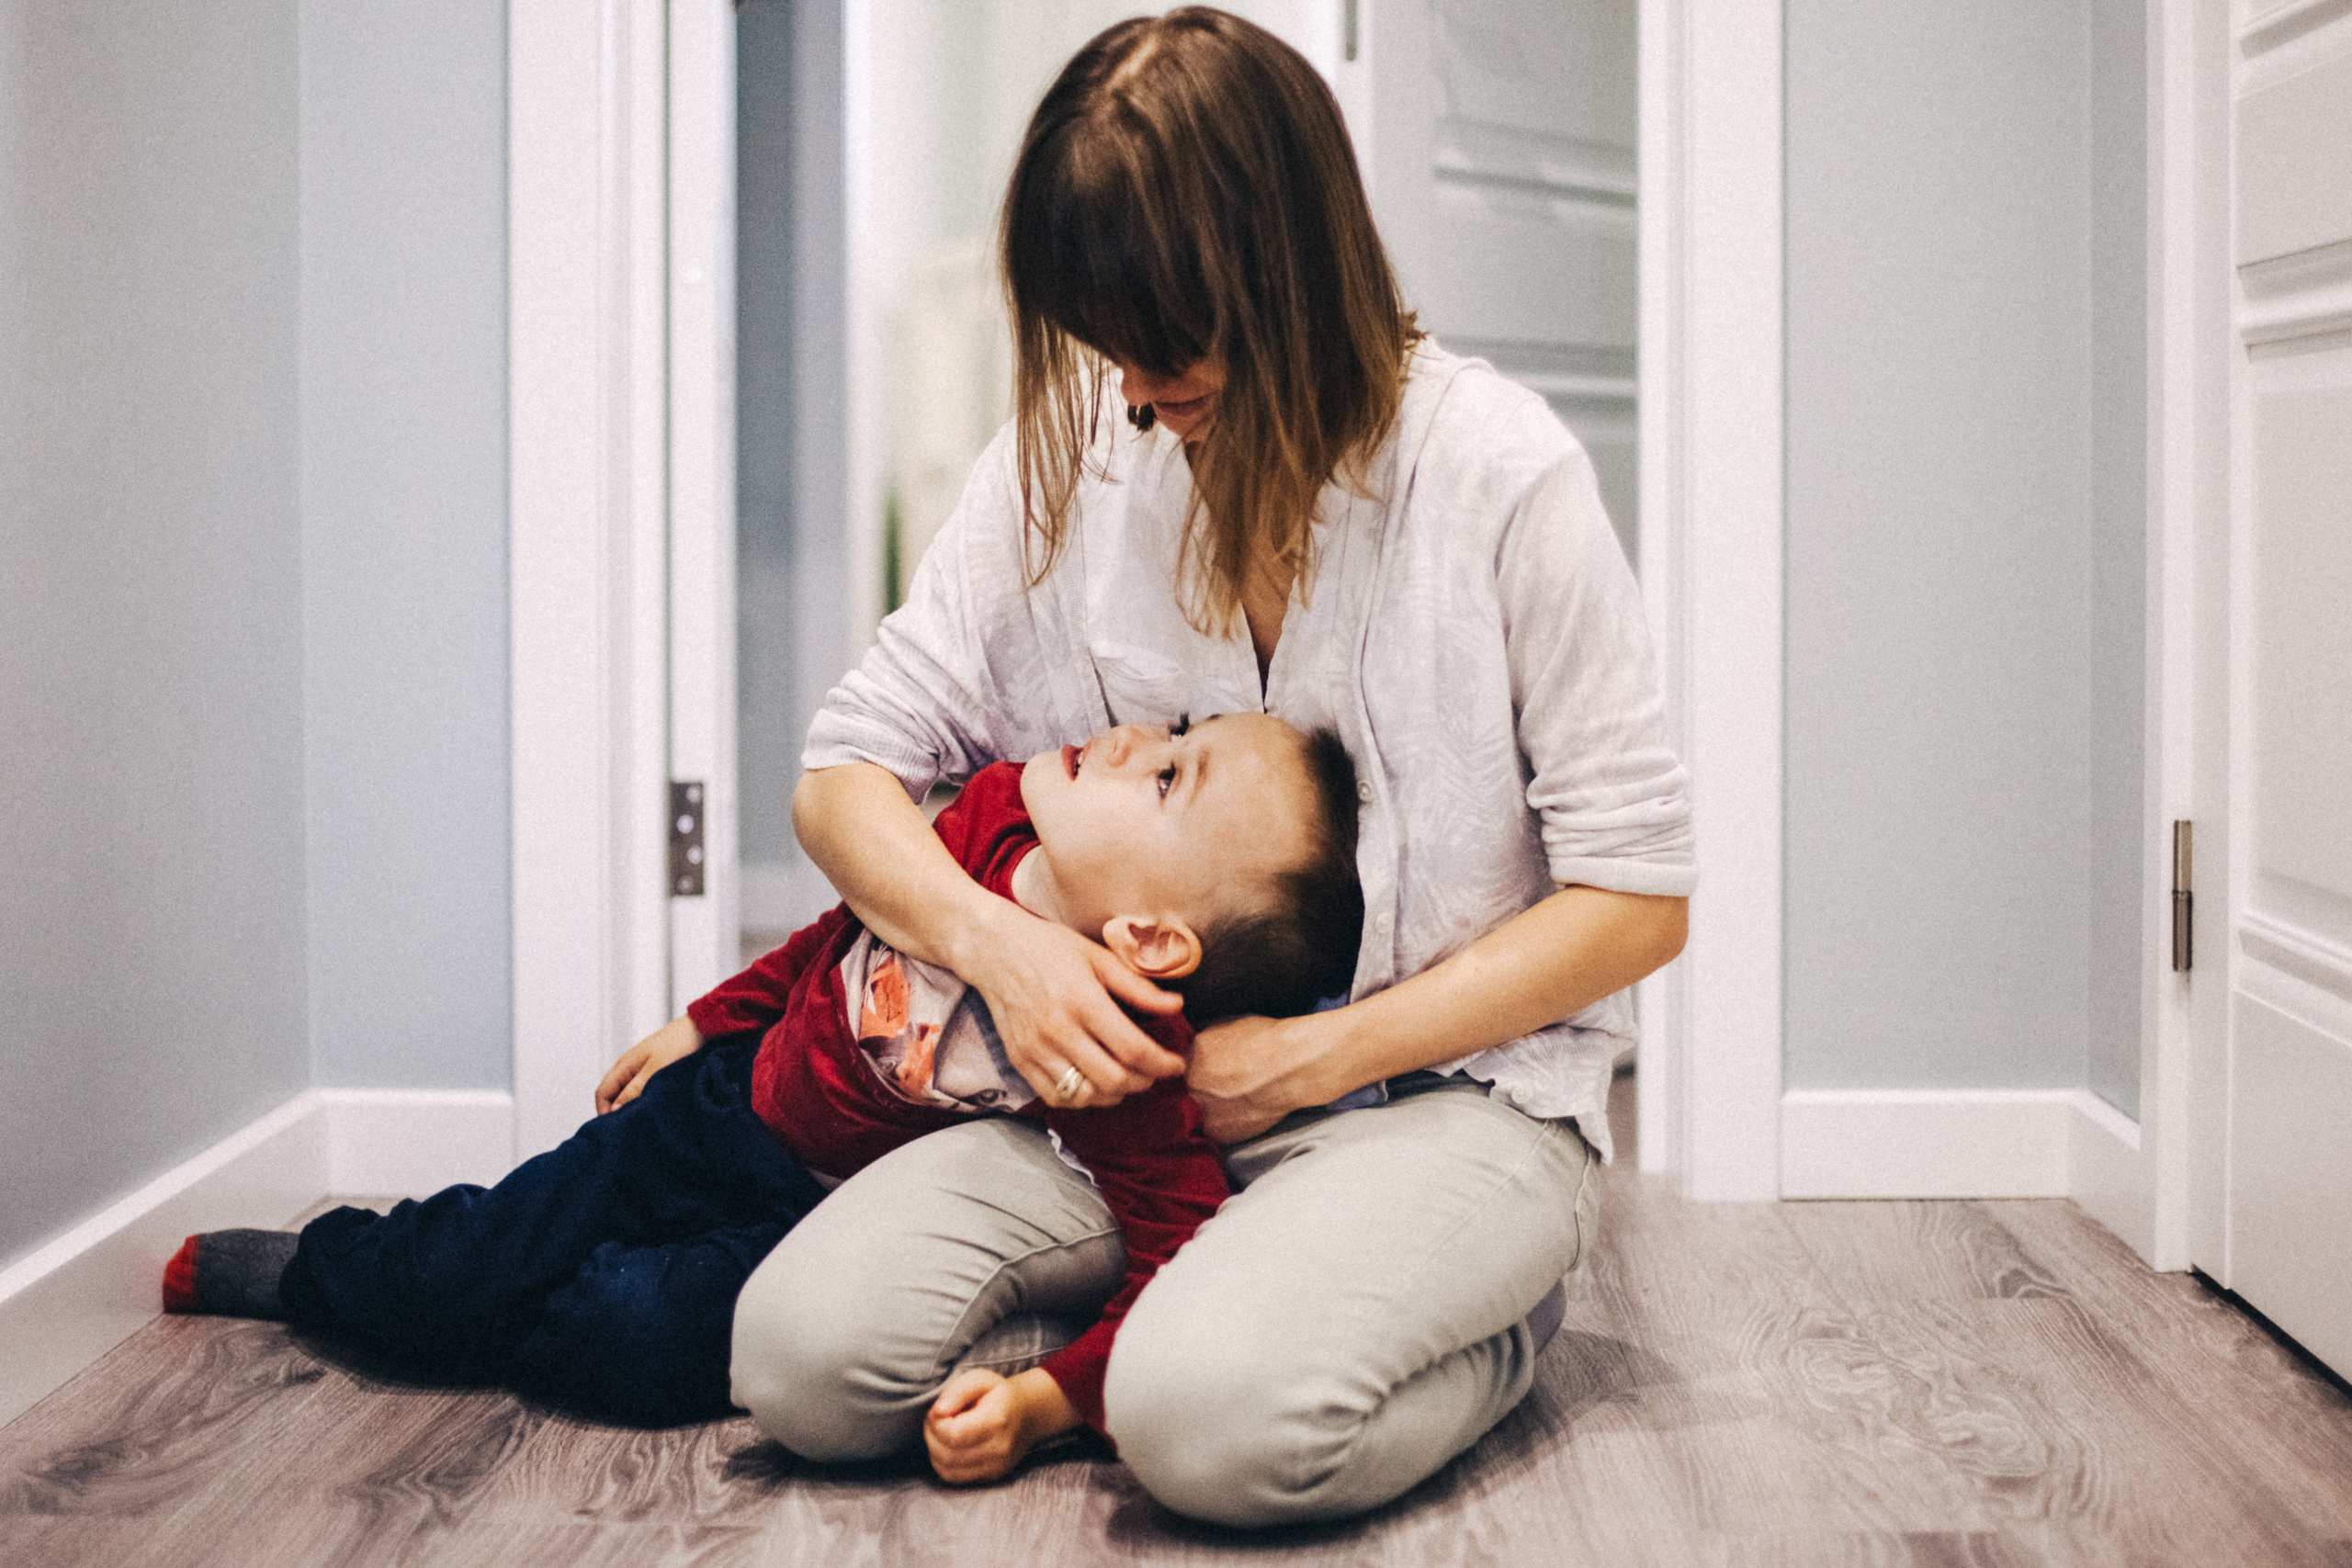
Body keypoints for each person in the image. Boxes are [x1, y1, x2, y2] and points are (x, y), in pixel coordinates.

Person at [727, 6, 1695, 1528]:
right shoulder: (1075, 453)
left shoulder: (1501, 479)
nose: (1126, 395)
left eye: (1164, 348)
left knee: (1203, 1435)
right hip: (1118, 1112)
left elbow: (1639, 902)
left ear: (1285, 284)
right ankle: (1186, 1325)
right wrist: (1009, 958)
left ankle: (1465, 1325)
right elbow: (845, 773)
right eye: (1101, 344)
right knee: (796, 1366)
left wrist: (1313, 1060)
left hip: (1449, 1099)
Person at [162, 711, 1363, 1482]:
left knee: (626, 1340)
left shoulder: (1122, 1063)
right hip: (716, 1115)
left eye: (1168, 776)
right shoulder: (983, 821)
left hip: (805, 1219)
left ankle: (509, 1307)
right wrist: (705, 1021)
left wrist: (1054, 1399)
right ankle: (324, 1267)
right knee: (461, 1259)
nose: (1129, 734)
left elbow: (1171, 1251)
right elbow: (835, 937)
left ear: (1151, 939)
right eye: (1177, 728)